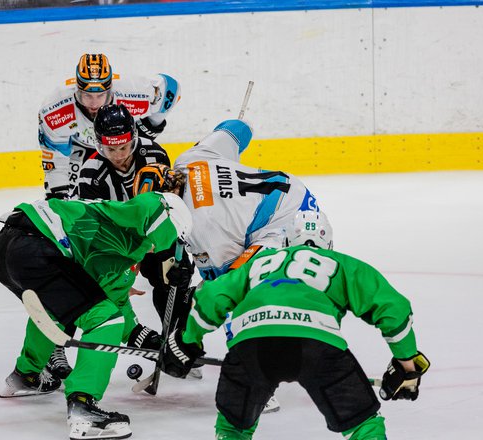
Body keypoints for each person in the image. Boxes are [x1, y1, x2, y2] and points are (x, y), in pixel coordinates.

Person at [159, 210, 431, 440]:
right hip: (317, 345)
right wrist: (407, 363)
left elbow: (211, 297)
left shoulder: (259, 264)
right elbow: (394, 309)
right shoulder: (341, 263)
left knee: (233, 426)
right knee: (363, 423)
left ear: (287, 241)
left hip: (252, 345)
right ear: (329, 244)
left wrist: (188, 340)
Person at [132, 118, 326, 409]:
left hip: (292, 230)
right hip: (291, 192)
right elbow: (237, 128)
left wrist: (187, 337)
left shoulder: (204, 225)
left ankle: (257, 379)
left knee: (240, 293)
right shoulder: (191, 158)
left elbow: (224, 289)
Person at [0, 191, 193, 439]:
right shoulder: (141, 217)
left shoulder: (121, 249)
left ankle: (27, 376)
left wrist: (154, 343)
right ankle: (83, 406)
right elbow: (156, 206)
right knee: (104, 319)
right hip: (35, 247)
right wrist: (168, 252)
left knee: (62, 308)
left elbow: (113, 303)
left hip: (7, 249)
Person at [37, 52, 181, 384]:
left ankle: (173, 336)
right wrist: (62, 209)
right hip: (76, 151)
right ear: (76, 87)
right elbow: (55, 164)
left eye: (100, 93)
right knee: (73, 255)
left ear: (110, 86)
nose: (93, 101)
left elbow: (169, 89)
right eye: (86, 93)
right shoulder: (55, 111)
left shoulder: (135, 92)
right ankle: (54, 347)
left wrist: (153, 123)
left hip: (121, 137)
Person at [78, 103, 196, 350]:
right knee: (93, 285)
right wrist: (125, 270)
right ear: (100, 144)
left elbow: (168, 207)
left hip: (151, 234)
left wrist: (178, 252)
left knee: (173, 277)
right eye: (111, 149)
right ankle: (132, 333)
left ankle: (175, 340)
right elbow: (95, 232)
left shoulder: (154, 155)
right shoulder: (90, 172)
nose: (119, 155)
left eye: (124, 147)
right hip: (115, 241)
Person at [39, 53, 180, 201]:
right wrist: (58, 195)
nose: (94, 104)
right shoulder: (55, 109)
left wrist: (146, 129)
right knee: (73, 200)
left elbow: (171, 88)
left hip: (120, 143)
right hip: (78, 147)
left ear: (111, 89)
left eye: (100, 96)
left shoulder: (132, 92)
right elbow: (55, 157)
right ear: (77, 90)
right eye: (87, 96)